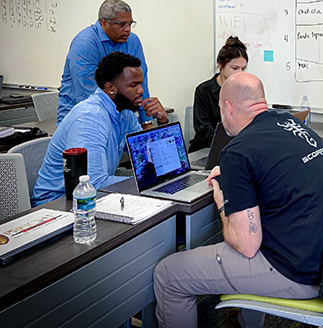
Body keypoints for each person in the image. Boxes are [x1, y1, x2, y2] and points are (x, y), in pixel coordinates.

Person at [153, 72, 323, 328]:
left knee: (169, 274)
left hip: (298, 272)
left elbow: (246, 245)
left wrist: (223, 198)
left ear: (227, 108)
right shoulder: (290, 123)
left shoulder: (238, 151)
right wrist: (239, 182)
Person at [31, 52, 167, 207]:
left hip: (93, 194)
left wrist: (162, 122)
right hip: (58, 202)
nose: (141, 91)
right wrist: (154, 180)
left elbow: (147, 155)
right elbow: (95, 183)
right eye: (133, 85)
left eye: (141, 84)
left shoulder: (125, 111)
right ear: (110, 88)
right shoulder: (90, 117)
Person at [56, 0, 167, 129]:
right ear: (104, 23)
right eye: (121, 24)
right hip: (82, 120)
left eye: (130, 24)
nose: (128, 29)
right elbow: (88, 95)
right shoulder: (85, 43)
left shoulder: (133, 41)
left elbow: (140, 86)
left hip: (119, 118)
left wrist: (146, 122)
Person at [188, 36, 248, 152]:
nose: (240, 74)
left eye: (243, 69)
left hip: (235, 148)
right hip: (207, 148)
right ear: (220, 65)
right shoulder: (204, 90)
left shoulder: (244, 90)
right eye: (235, 68)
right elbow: (203, 131)